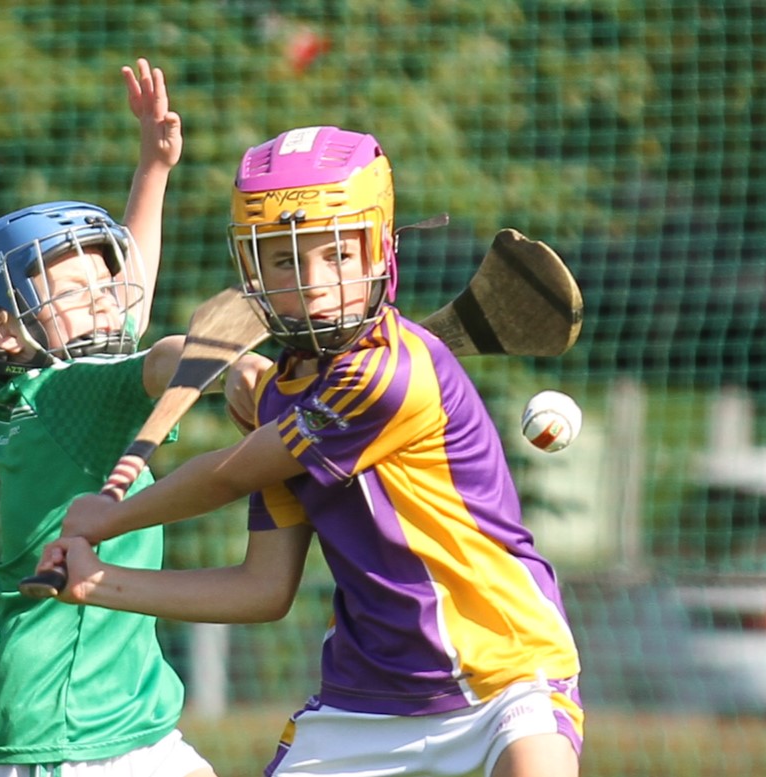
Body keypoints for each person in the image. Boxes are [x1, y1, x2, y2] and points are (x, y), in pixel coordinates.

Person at [36, 126, 585, 777]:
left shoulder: (387, 376)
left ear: (381, 250)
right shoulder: (282, 396)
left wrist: (109, 515)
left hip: (509, 669)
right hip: (368, 697)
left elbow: (228, 476)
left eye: (337, 256)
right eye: (286, 260)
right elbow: (262, 587)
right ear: (252, 271)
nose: (315, 282)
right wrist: (98, 583)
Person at [0, 59, 265, 777]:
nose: (105, 299)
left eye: (104, 279)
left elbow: (130, 305)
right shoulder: (64, 392)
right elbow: (160, 355)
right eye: (75, 288)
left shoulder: (35, 387)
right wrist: (228, 360)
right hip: (68, 733)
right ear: (3, 329)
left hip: (113, 720)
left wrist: (154, 166)